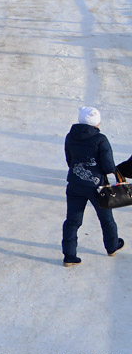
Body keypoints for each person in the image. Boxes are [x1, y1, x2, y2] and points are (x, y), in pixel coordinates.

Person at [62, 106, 122, 266]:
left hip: (74, 184)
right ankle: (112, 247)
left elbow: (69, 160)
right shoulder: (100, 139)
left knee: (72, 221)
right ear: (96, 123)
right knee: (106, 219)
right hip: (97, 186)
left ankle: (69, 256)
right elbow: (109, 166)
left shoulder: (70, 136)